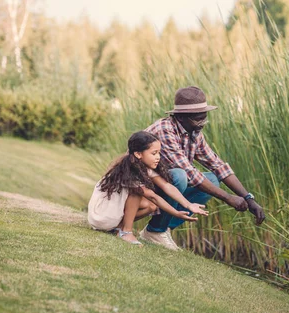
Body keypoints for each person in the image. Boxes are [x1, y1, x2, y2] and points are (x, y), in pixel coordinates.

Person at [139, 86, 265, 251]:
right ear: (181, 117)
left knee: (213, 180)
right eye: (198, 119)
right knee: (179, 175)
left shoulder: (194, 131)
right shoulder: (165, 130)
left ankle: (163, 228)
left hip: (163, 186)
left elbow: (217, 165)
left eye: (204, 117)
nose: (203, 123)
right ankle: (156, 230)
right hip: (141, 187)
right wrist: (228, 198)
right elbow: (191, 175)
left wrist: (248, 198)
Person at [87, 131, 209, 245]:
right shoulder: (129, 170)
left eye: (159, 153)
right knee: (138, 193)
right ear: (138, 154)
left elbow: (167, 186)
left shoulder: (140, 166)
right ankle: (126, 232)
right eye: (154, 153)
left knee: (151, 206)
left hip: (106, 217)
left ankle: (118, 227)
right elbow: (153, 196)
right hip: (102, 217)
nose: (158, 157)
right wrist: (176, 213)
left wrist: (188, 205)